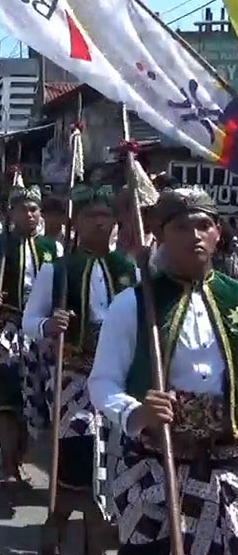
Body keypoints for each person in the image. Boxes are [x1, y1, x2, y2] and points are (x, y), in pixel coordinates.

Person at [90, 188, 238, 555]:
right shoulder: (134, 304)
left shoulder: (234, 297)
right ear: (160, 234)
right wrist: (138, 412)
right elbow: (103, 381)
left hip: (228, 465)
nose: (195, 236)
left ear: (218, 232)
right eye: (181, 227)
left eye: (204, 226)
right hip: (156, 464)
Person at [23, 184, 135, 554]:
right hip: (73, 377)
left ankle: (93, 534)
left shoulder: (130, 270)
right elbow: (29, 321)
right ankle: (61, 519)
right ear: (77, 223)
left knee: (112, 459)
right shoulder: (57, 270)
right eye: (91, 216)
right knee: (78, 452)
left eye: (106, 216)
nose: (100, 223)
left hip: (119, 381)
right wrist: (48, 325)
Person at [0, 185, 62, 487]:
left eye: (34, 209)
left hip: (39, 335)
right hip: (6, 330)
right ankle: (9, 462)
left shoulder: (53, 248)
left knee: (33, 402)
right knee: (8, 398)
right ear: (11, 213)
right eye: (23, 209)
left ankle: (19, 457)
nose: (30, 215)